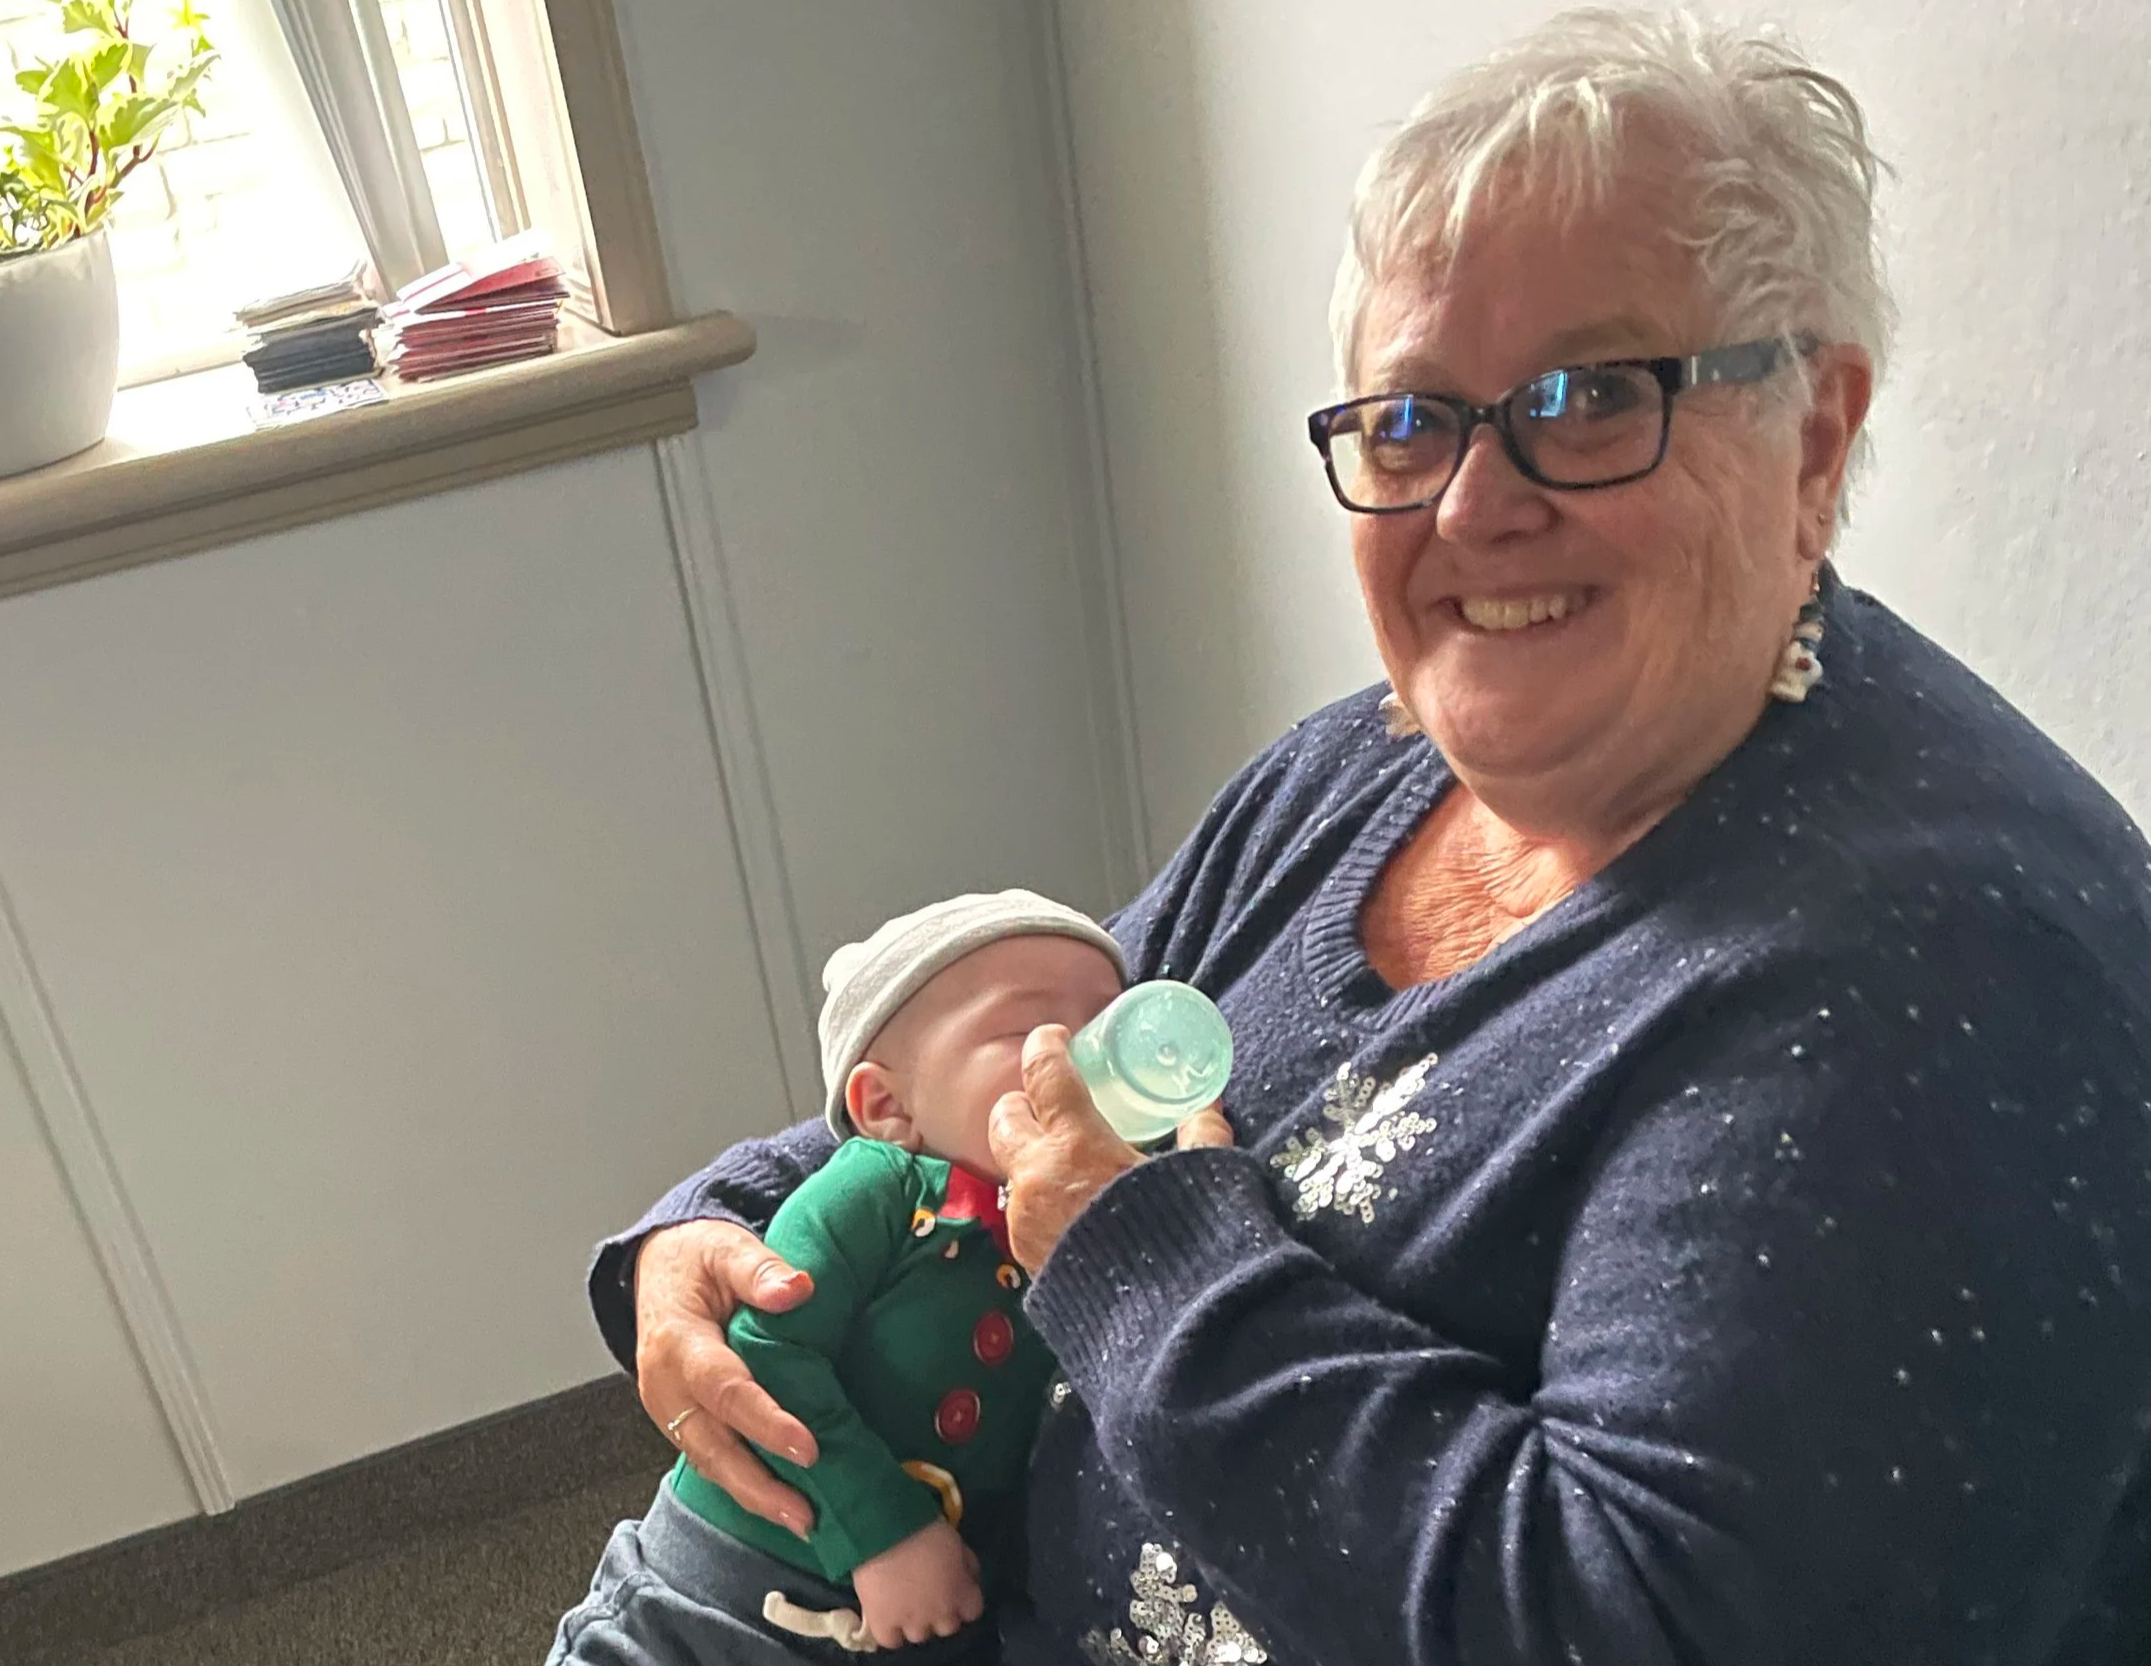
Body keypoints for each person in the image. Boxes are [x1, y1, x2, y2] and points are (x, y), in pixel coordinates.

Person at [592, 12, 2151, 1663]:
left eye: (1591, 395)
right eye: (1413, 421)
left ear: (1814, 436)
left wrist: (1144, 1265)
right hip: (897, 1574)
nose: (1476, 504)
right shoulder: (1376, 760)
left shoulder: (1930, 984)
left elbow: (1616, 1624)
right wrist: (728, 1216)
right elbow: (1024, 1049)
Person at [551, 891, 1220, 1662]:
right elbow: (764, 1353)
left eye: (1108, 1020)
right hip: (717, 1594)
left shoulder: (1076, 1224)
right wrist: (885, 1530)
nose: (1082, 1057)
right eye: (1028, 1030)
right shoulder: (881, 1190)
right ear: (888, 1104)